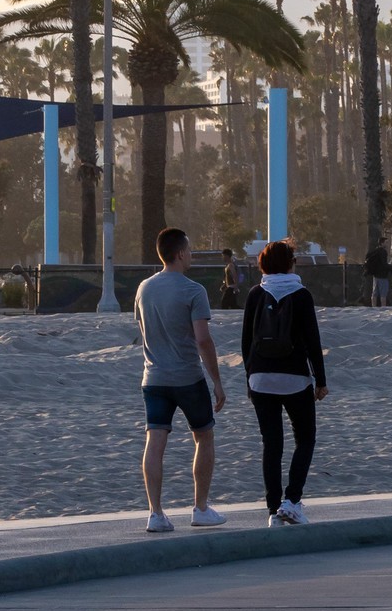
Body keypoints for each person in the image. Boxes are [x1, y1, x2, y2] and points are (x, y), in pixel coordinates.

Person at [133, 227, 227, 534]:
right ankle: (200, 508)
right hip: (187, 377)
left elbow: (143, 329)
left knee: (155, 440)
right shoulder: (193, 290)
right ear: (180, 253)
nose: (192, 254)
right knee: (204, 436)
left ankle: (155, 513)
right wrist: (217, 380)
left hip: (153, 377)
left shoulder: (144, 288)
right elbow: (203, 340)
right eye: (189, 249)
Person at [241, 238, 328, 526]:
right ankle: (291, 501)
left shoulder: (256, 293)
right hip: (294, 378)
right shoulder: (301, 294)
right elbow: (313, 341)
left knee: (272, 444)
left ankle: (272, 511)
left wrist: (249, 377)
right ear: (290, 263)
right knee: (305, 438)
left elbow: (246, 341)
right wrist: (320, 380)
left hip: (261, 377)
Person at [364, 242, 392, 307]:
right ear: (382, 243)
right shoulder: (383, 252)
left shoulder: (375, 251)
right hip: (382, 275)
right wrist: (391, 268)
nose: (387, 244)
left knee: (374, 293)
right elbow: (384, 264)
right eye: (385, 242)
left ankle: (373, 307)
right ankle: (383, 307)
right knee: (383, 294)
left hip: (375, 275)